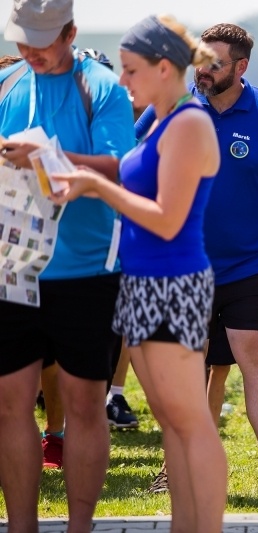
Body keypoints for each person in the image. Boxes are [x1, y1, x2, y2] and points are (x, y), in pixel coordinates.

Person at [52, 14, 228, 532]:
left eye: (130, 70)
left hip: (172, 284)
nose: (122, 81)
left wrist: (95, 187)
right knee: (173, 424)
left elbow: (167, 219)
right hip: (145, 283)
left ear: (164, 67)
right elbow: (128, 174)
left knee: (192, 423)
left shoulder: (190, 123)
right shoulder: (159, 118)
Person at [136, 22, 258, 502]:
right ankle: (176, 469)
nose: (203, 71)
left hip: (251, 264)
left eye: (213, 63)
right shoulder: (174, 107)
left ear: (240, 67)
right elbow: (130, 160)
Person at [0, 1, 135, 530]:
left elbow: (121, 167)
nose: (30, 51)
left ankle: (81, 525)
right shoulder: (9, 84)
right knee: (11, 404)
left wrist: (45, 155)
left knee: (83, 405)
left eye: (43, 41)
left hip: (87, 272)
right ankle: (21, 525)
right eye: (22, 39)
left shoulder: (100, 87)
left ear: (72, 33)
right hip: (14, 268)